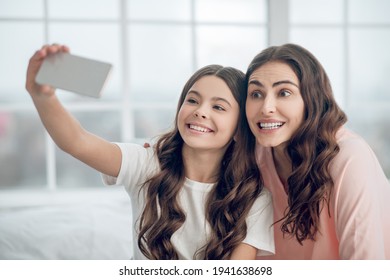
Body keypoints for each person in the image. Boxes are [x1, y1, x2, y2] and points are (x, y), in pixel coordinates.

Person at [25, 44, 274, 260]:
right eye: (193, 100)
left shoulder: (253, 196)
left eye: (218, 107)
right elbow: (76, 142)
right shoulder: (146, 163)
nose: (200, 111)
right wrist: (42, 96)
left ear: (239, 128)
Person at [244, 43, 390, 259]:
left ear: (312, 100)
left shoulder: (350, 158)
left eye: (284, 92)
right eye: (256, 94)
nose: (266, 107)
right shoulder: (253, 158)